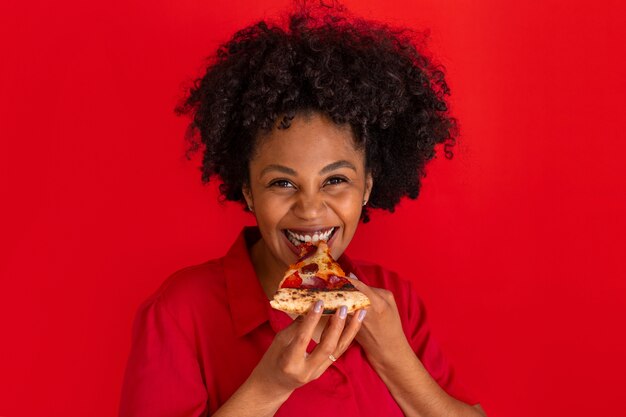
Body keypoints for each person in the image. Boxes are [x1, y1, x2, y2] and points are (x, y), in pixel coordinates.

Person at [119, 2, 486, 416]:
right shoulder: (179, 312)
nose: (310, 210)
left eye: (335, 180)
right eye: (282, 183)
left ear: (366, 187)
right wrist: (268, 387)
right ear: (249, 190)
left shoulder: (393, 299)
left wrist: (395, 358)